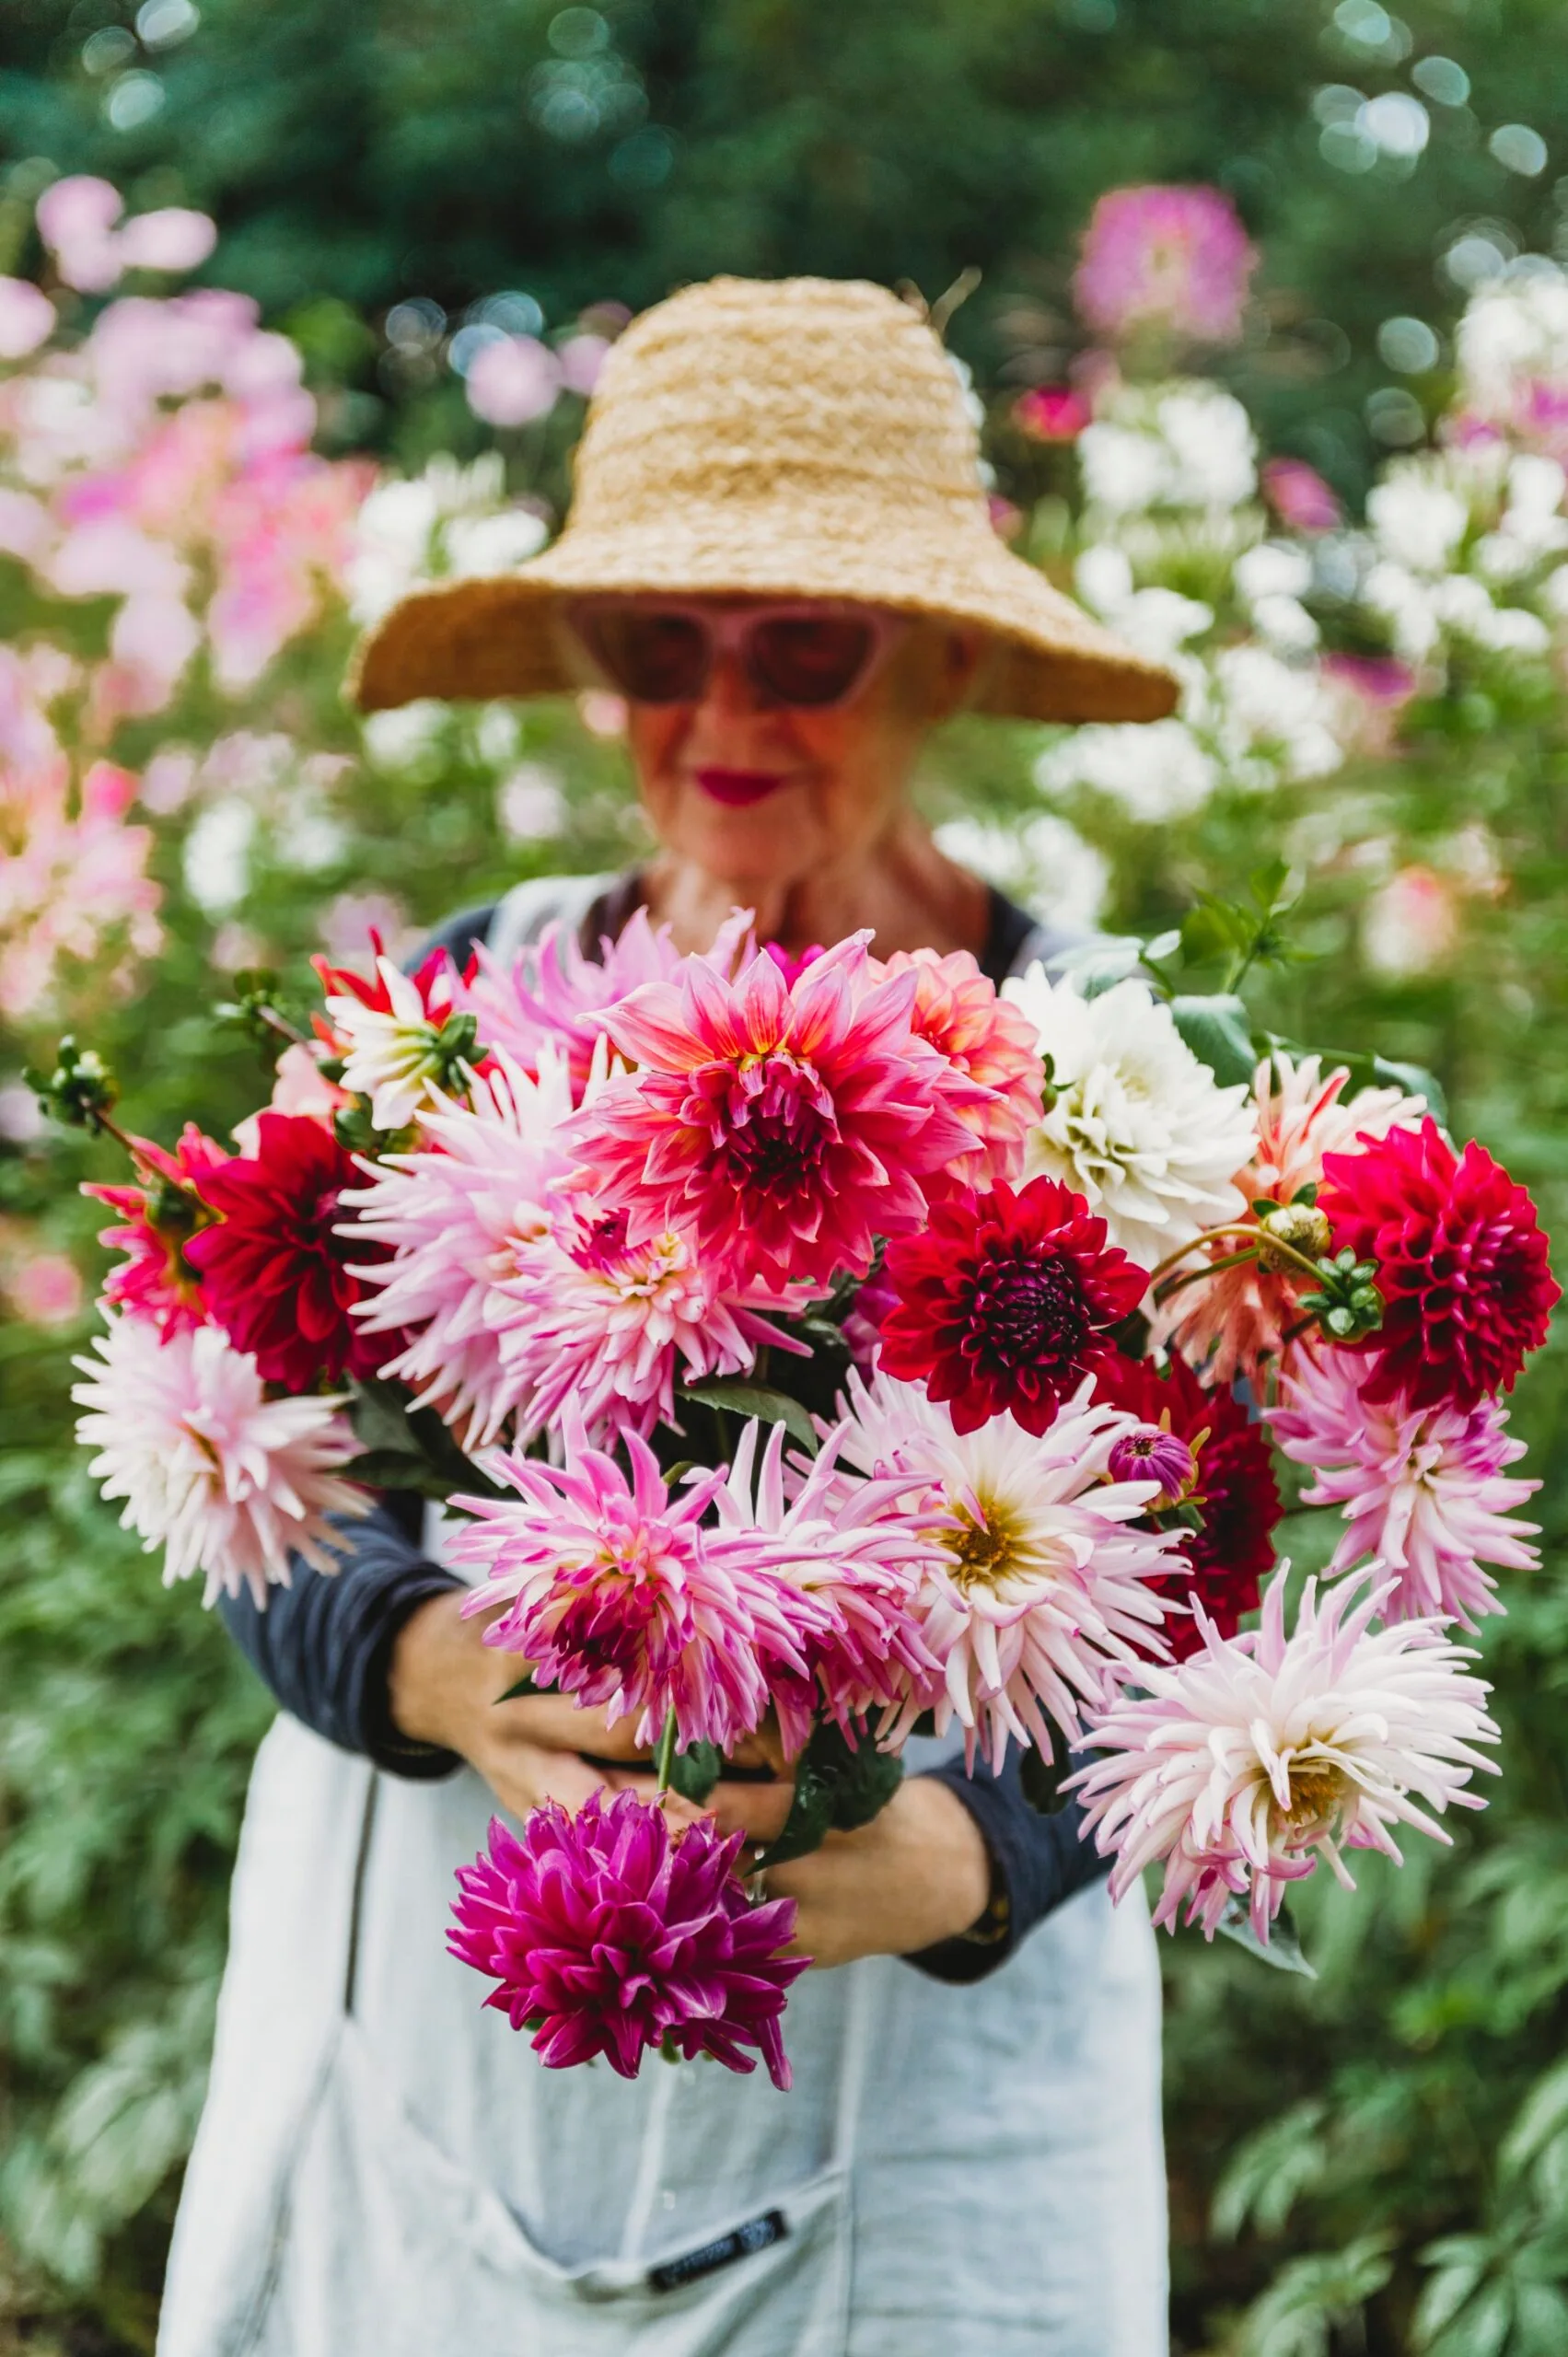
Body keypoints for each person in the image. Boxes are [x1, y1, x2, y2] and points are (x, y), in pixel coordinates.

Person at [157, 275, 1179, 2357]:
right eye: (658, 642)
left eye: (806, 642)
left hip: (922, 2068)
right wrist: (426, 1658)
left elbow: (1219, 1583)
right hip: (440, 2026)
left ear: (950, 656)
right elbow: (220, 1444)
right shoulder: (435, 1012)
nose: (726, 713)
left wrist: (971, 1850)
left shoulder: (1126, 1081)